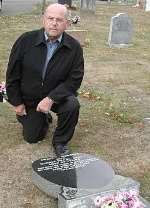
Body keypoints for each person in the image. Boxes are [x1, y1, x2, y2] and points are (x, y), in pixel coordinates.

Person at [6, 3, 84, 157]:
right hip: (29, 98)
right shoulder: (25, 40)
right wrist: (17, 102)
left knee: (72, 105)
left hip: (56, 96)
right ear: (44, 20)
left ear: (67, 24)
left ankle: (61, 142)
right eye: (50, 18)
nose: (54, 23)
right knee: (32, 137)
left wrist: (51, 98)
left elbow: (74, 79)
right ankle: (41, 118)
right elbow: (12, 74)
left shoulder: (74, 47)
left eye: (59, 20)